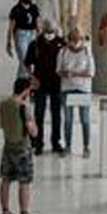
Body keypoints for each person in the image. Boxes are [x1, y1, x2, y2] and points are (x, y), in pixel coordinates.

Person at [0, 77, 40, 214]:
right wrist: (34, 126)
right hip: (22, 148)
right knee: (24, 181)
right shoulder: (23, 107)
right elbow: (33, 131)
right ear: (26, 90)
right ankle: (24, 213)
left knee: (6, 179)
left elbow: (2, 125)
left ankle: (5, 212)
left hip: (8, 146)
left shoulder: (3, 103)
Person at [24, 19, 66, 156]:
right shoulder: (35, 44)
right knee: (39, 114)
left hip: (56, 83)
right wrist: (32, 77)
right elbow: (27, 63)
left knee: (56, 115)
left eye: (52, 31)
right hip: (40, 84)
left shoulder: (61, 42)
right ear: (43, 30)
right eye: (47, 30)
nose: (49, 33)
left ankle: (56, 142)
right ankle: (38, 143)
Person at [58, 27, 94, 157]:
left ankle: (86, 147)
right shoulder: (63, 52)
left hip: (83, 90)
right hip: (67, 89)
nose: (74, 43)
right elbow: (58, 70)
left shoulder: (86, 51)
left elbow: (91, 72)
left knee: (85, 119)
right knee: (68, 120)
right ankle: (68, 146)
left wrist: (74, 73)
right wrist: (65, 73)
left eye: (77, 40)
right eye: (72, 41)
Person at [6, 0, 40, 80]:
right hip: (21, 34)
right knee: (24, 59)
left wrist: (40, 37)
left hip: (32, 34)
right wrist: (8, 42)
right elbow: (11, 27)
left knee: (30, 60)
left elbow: (38, 24)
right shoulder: (16, 9)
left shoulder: (34, 8)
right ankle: (23, 82)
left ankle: (22, 82)